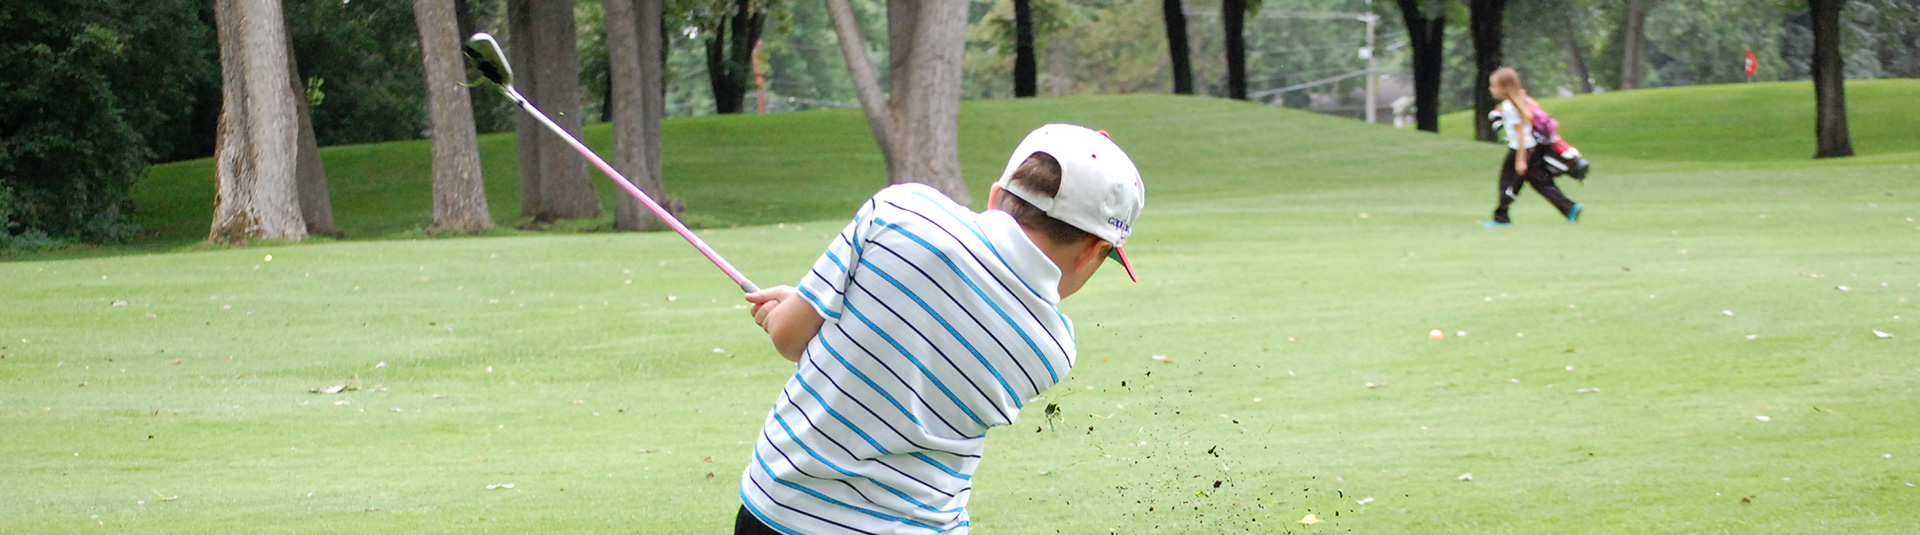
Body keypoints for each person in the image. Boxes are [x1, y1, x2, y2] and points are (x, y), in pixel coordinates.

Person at [732, 123, 1146, 535]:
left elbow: (790, 337)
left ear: (996, 196)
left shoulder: (901, 210)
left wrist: (803, 304)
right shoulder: (1053, 349)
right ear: (1095, 250)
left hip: (780, 510)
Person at [1485, 67, 1584, 227]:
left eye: (1494, 86)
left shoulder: (1510, 107)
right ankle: (1569, 207)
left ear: (1505, 87)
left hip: (1522, 150)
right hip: (1534, 148)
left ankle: (1501, 217)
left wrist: (1520, 160)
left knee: (1507, 182)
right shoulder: (1522, 100)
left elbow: (1521, 135)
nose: (1491, 89)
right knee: (1541, 182)